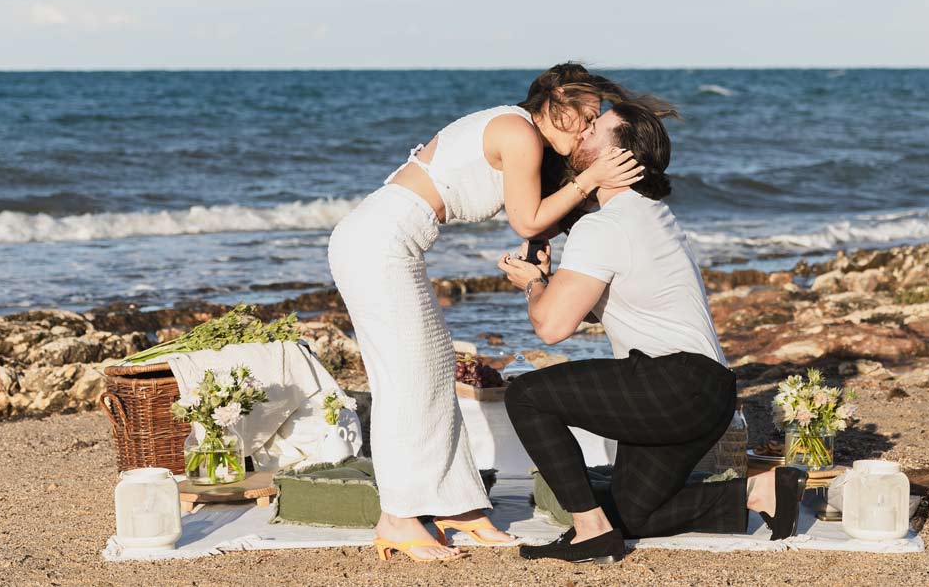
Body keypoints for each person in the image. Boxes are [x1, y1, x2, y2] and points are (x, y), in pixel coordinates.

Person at [327, 63, 650, 562]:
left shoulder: (523, 135)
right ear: (557, 98)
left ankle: (457, 507)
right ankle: (397, 516)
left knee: (431, 371)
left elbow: (530, 217)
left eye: (594, 121)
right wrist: (591, 178)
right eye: (586, 115)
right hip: (376, 242)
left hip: (391, 243)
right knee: (405, 378)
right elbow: (525, 214)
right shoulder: (519, 131)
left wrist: (538, 240)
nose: (589, 128)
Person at [497, 102, 806, 565]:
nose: (581, 133)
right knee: (635, 515)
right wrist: (553, 281)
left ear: (620, 158)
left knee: (526, 395)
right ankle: (760, 492)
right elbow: (613, 306)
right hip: (708, 396)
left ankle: (589, 531)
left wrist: (535, 286)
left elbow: (551, 327)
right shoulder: (651, 215)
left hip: (673, 384)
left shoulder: (607, 226)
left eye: (594, 128)